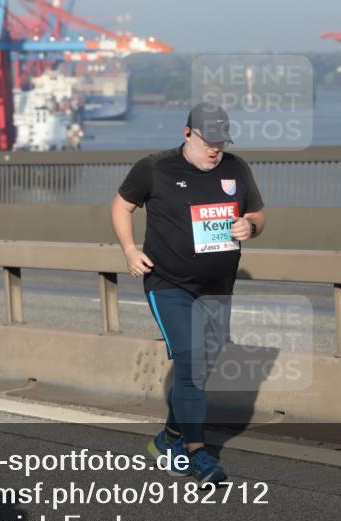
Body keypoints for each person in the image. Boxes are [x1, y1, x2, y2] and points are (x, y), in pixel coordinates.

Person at [110, 102, 265, 484]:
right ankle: (199, 455)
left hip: (216, 288)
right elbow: (121, 206)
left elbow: (258, 214)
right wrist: (130, 250)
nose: (215, 149)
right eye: (207, 141)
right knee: (193, 361)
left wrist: (250, 226)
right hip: (168, 284)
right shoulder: (155, 167)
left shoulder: (236, 167)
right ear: (187, 134)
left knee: (201, 364)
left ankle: (169, 438)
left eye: (221, 142)